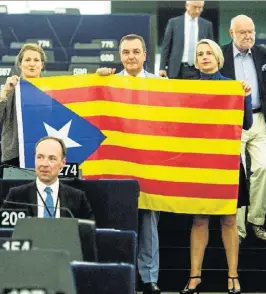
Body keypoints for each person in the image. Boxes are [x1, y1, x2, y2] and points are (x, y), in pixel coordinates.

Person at [180, 39, 253, 294]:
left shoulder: (234, 87)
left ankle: (233, 276)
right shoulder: (189, 89)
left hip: (227, 162)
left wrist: (245, 96)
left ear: (219, 57)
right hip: (199, 164)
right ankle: (194, 277)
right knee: (199, 219)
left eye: (209, 52)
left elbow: (246, 124)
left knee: (229, 220)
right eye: (200, 54)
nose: (204, 57)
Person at [96, 34, 162, 294]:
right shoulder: (108, 83)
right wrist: (96, 79)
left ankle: (149, 279)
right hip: (118, 164)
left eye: (136, 51)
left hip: (151, 164)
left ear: (145, 55)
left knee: (149, 221)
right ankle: (120, 275)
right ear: (120, 56)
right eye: (126, 52)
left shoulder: (161, 85)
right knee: (118, 219)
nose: (131, 56)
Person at [220, 15, 266, 243]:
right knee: (238, 174)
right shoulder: (221, 55)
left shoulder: (263, 53)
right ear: (231, 33)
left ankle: (256, 220)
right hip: (233, 121)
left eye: (251, 31)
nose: (248, 36)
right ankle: (237, 230)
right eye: (243, 32)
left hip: (258, 119)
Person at [1, 136, 94, 220]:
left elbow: (87, 232)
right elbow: (6, 232)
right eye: (40, 157)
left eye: (52, 158)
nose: (44, 164)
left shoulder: (77, 198)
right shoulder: (16, 196)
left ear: (63, 163)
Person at [0, 43, 46, 169]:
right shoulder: (11, 89)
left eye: (36, 60)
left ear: (42, 64)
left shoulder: (52, 90)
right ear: (20, 64)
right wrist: (4, 92)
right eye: (27, 60)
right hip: (14, 155)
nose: (32, 64)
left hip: (45, 155)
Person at [159, 1, 213, 79]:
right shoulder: (174, 23)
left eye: (200, 8)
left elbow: (211, 48)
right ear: (187, 6)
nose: (197, 10)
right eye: (195, 7)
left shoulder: (207, 25)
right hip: (177, 68)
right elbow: (166, 46)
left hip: (199, 69)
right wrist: (162, 67)